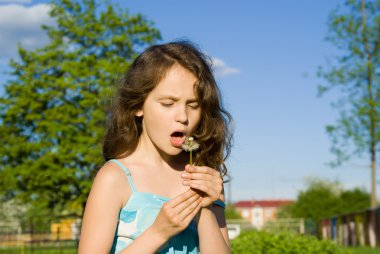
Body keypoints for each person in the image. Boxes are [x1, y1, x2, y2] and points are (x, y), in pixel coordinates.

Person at [78, 41, 233, 254]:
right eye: (168, 104)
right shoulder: (115, 178)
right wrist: (158, 232)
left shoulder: (205, 177)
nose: (183, 117)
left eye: (193, 105)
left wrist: (204, 207)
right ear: (138, 106)